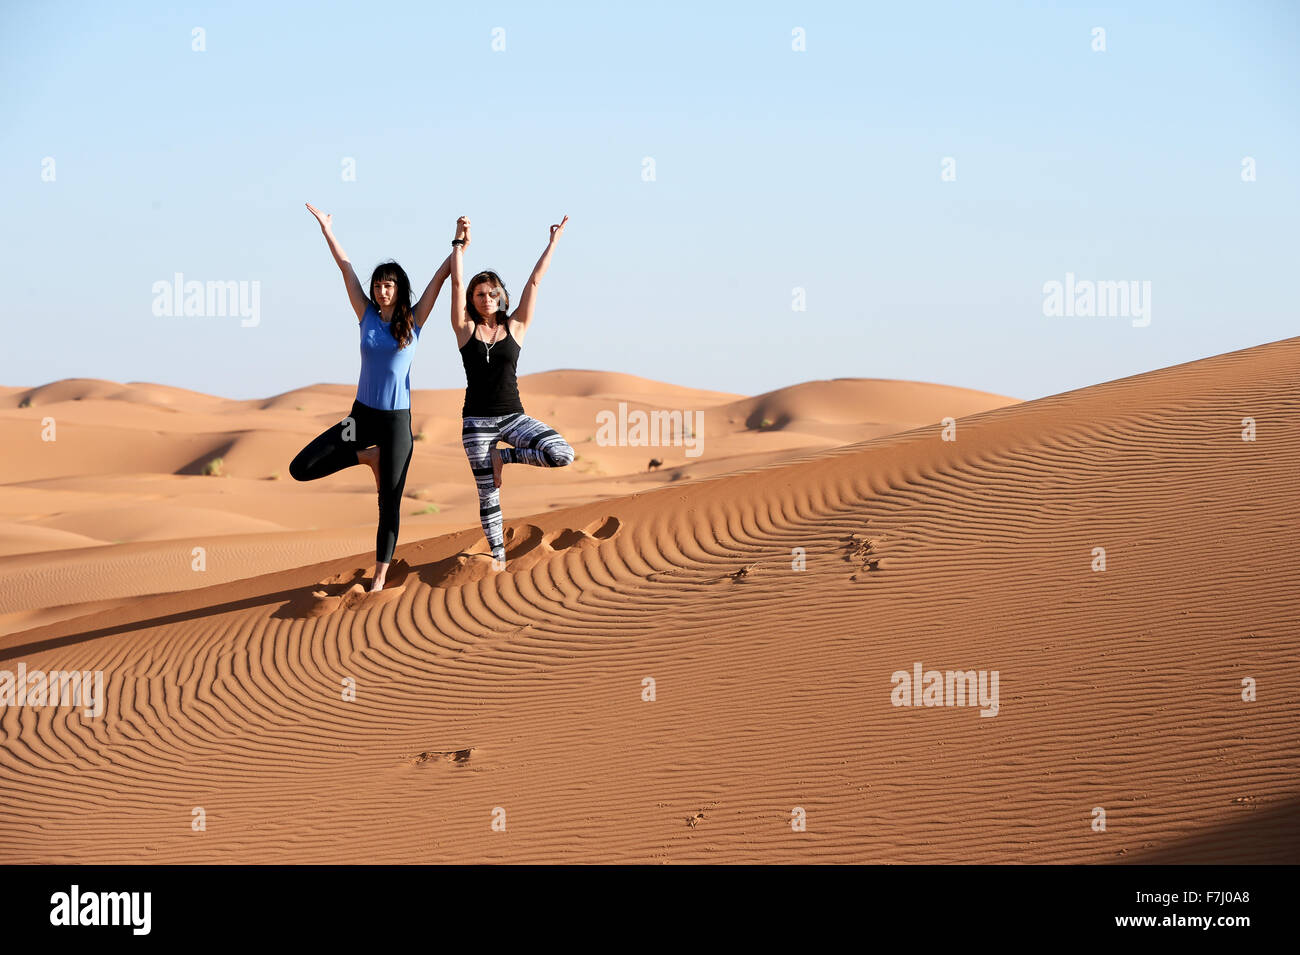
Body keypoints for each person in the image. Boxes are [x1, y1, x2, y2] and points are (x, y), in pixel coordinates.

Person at [289, 203, 458, 591]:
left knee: (390, 504)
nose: (382, 291)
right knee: (303, 466)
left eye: (389, 285)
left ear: (399, 289)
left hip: (397, 423)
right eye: (378, 285)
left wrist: (459, 241)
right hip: (360, 418)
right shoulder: (364, 314)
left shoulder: (414, 322)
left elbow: (443, 274)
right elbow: (345, 268)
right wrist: (327, 230)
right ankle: (367, 456)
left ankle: (379, 578)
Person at [449, 214, 574, 567]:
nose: (486, 297)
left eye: (492, 293)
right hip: (476, 423)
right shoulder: (464, 329)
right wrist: (459, 242)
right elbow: (456, 283)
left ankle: (504, 458)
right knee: (488, 495)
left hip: (513, 417)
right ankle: (498, 558)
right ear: (472, 300)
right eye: (479, 294)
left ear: (501, 296)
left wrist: (553, 243)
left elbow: (535, 282)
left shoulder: (516, 326)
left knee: (561, 453)